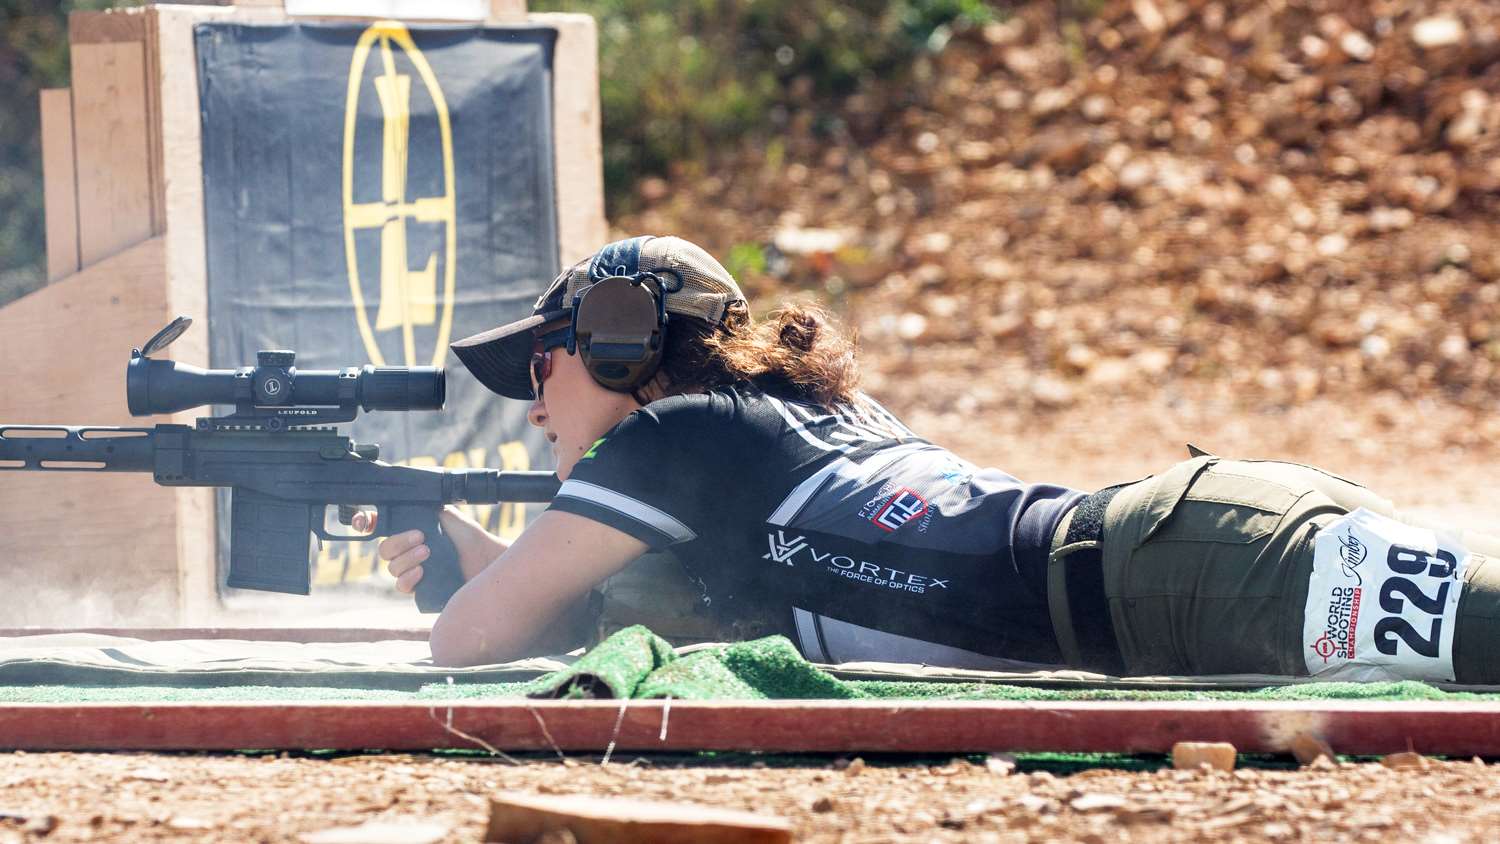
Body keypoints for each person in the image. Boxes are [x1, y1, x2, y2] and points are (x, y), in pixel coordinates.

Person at [376, 235, 1500, 684]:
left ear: (619, 343)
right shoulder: (770, 426)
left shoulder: (674, 436)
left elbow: (468, 645)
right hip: (1195, 545)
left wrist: (460, 583)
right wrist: (455, 549)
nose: (535, 410)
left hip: (1189, 575)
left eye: (542, 369)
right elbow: (628, 616)